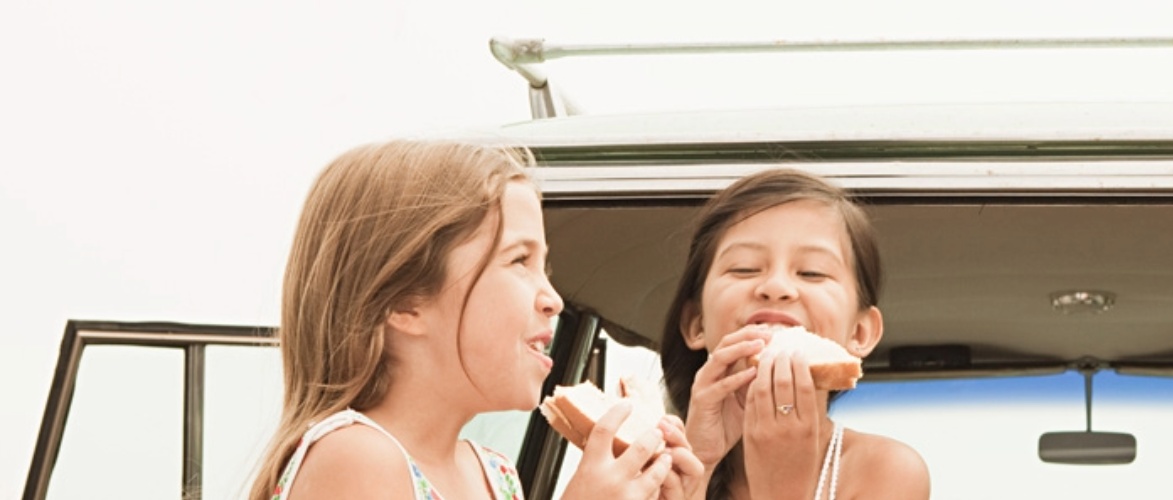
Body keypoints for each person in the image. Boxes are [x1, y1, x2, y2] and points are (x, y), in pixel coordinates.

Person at [246, 140, 701, 500]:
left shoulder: (496, 474)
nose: (553, 299)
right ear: (406, 303)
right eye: (519, 261)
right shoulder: (356, 457)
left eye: (545, 268)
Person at [658, 168, 931, 500]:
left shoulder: (886, 471)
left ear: (859, 333)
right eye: (744, 268)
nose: (776, 287)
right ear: (696, 323)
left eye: (812, 272)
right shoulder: (642, 468)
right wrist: (698, 467)